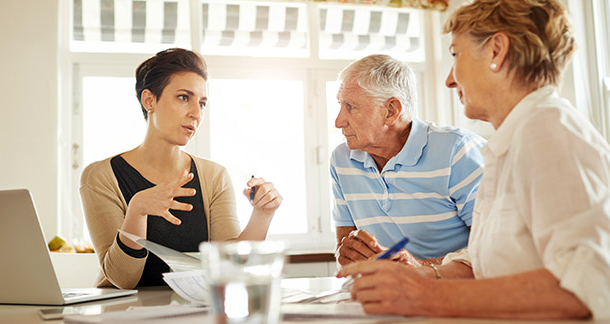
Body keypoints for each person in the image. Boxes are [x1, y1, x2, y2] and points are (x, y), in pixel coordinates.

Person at [338, 0, 610, 320]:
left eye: (455, 54)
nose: (449, 79)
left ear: (496, 51)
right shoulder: (514, 141)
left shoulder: (547, 130)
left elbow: (586, 288)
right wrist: (422, 275)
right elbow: (485, 262)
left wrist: (424, 294)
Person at [80, 48, 282, 289]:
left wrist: (262, 213)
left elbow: (230, 268)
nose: (196, 113)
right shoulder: (101, 176)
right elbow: (123, 279)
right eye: (184, 97)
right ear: (149, 100)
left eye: (202, 103)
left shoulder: (214, 176)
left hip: (194, 311)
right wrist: (137, 211)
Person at [331, 54, 485, 268]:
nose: (338, 121)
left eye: (350, 107)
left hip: (456, 293)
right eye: (340, 105)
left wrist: (420, 268)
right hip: (385, 295)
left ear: (391, 111)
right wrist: (346, 252)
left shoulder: (458, 151)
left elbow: (493, 249)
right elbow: (345, 246)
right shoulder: (342, 160)